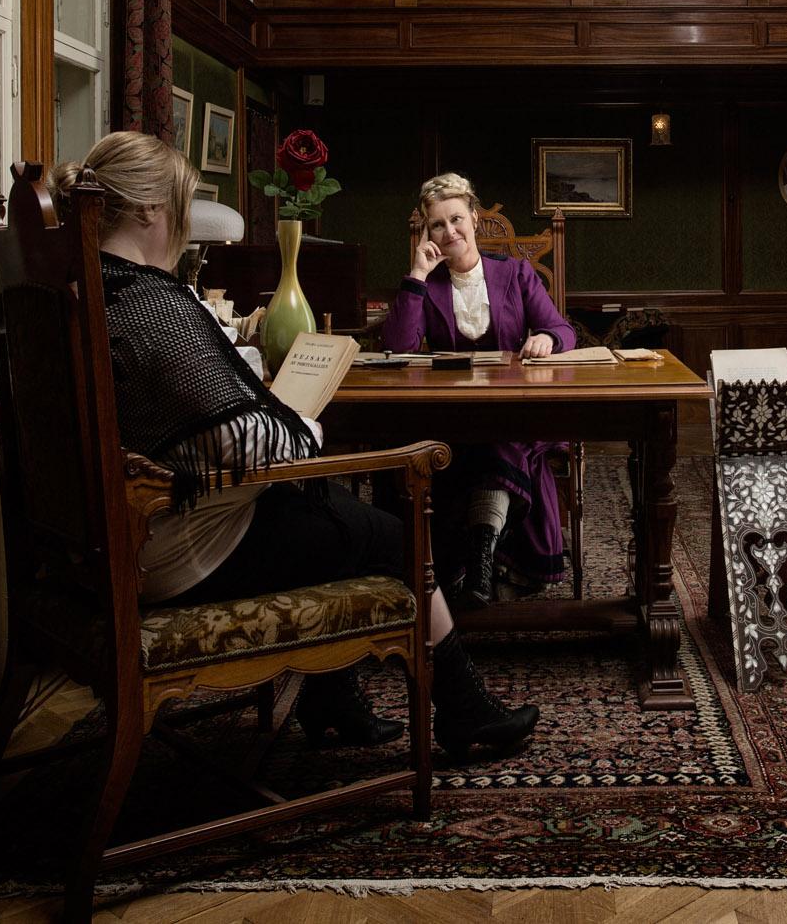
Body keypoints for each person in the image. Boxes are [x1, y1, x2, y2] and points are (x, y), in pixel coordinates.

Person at [47, 133, 537, 760]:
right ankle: (463, 710)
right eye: (180, 205)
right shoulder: (149, 302)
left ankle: (332, 700)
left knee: (328, 509)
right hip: (175, 550)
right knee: (393, 532)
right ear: (148, 211)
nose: (183, 225)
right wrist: (305, 426)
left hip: (101, 547)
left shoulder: (90, 288)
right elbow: (251, 441)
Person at [381, 171, 576, 608]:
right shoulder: (427, 284)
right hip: (455, 418)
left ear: (473, 217)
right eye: (437, 225)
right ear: (427, 232)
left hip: (514, 413)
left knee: (500, 444)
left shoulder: (516, 273)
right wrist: (416, 275)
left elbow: (561, 328)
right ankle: (477, 567)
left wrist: (548, 339)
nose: (449, 232)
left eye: (456, 219)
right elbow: (398, 348)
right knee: (477, 447)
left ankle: (478, 566)